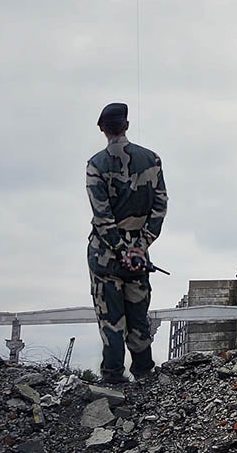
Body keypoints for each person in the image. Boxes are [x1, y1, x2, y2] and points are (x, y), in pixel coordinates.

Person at [86, 102, 168, 383]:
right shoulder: (152, 160)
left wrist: (119, 249)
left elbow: (101, 215)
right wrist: (140, 245)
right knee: (138, 316)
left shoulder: (96, 165)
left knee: (111, 320)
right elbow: (160, 206)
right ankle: (145, 375)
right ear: (127, 126)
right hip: (138, 256)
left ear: (102, 129)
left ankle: (112, 379)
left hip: (105, 257)